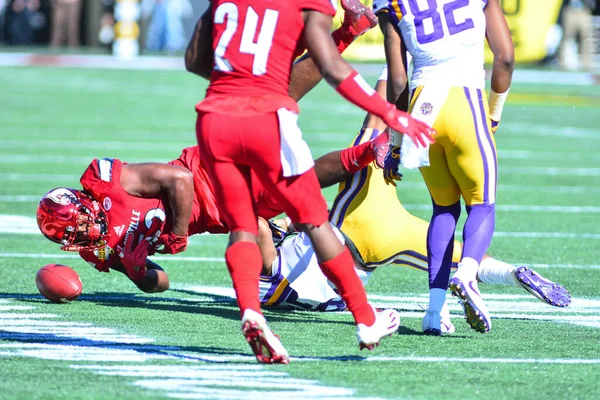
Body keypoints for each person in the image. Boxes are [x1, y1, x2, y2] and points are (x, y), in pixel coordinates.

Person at [184, 0, 433, 364]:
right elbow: (332, 67)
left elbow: (194, 59)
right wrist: (389, 112)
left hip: (214, 119)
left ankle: (251, 312)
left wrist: (236, 84)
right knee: (315, 223)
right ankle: (366, 319)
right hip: (266, 119)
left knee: (241, 225)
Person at [374, 0, 514, 335]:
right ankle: (467, 275)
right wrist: (493, 113)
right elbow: (505, 56)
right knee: (481, 203)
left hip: (422, 108)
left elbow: (397, 81)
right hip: (465, 99)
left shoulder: (390, 3)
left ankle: (434, 311)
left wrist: (395, 142)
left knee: (443, 208)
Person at [558, 0, 595, 71]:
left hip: (583, 10)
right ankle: (562, 62)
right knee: (566, 37)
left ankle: (587, 64)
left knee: (586, 38)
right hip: (570, 10)